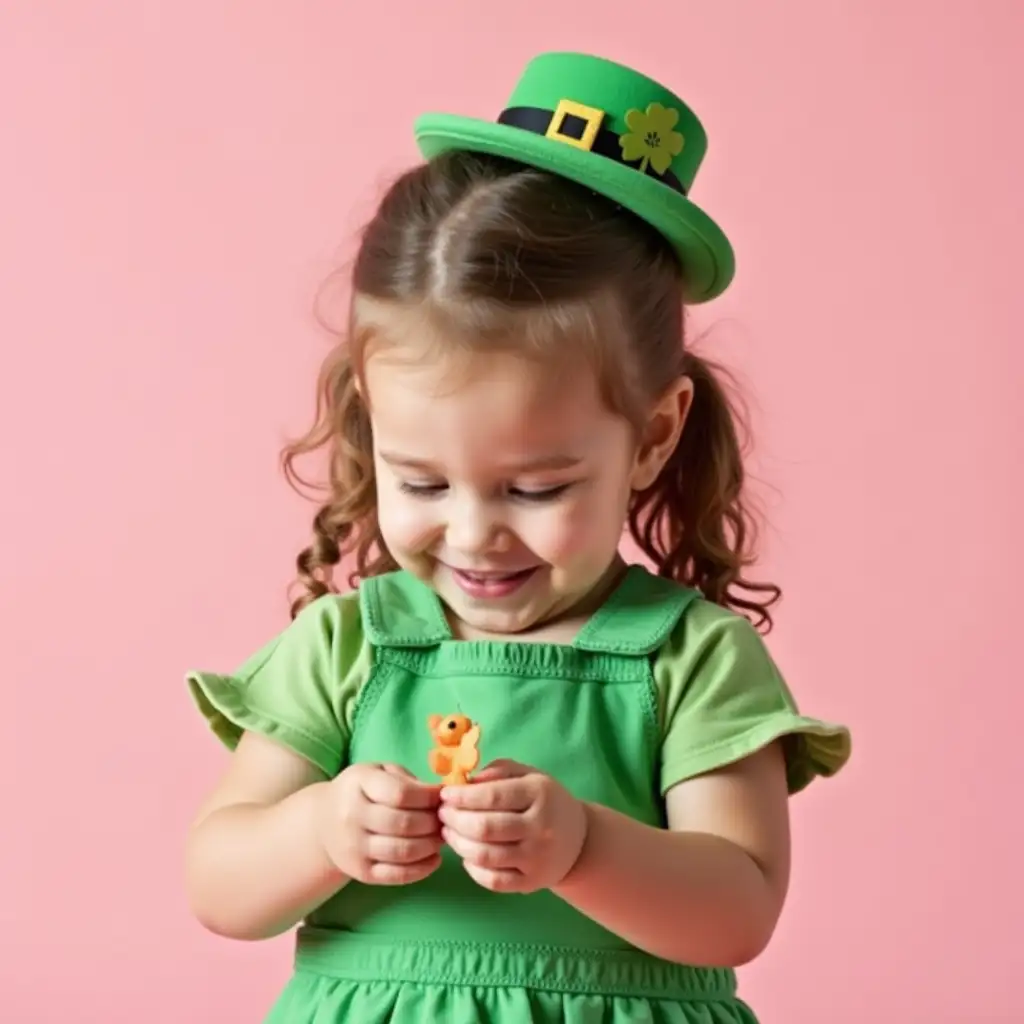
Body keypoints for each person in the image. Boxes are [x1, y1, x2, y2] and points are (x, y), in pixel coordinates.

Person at [184, 51, 852, 1023]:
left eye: (536, 486)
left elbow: (737, 909)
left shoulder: (692, 659)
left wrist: (585, 844)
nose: (473, 532)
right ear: (371, 420)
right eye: (419, 479)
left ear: (651, 436)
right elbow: (218, 882)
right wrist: (322, 828)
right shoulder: (348, 648)